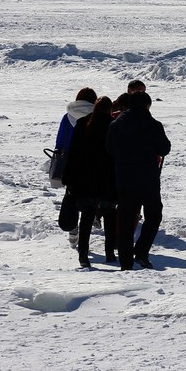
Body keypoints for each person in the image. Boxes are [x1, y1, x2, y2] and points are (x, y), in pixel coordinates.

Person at [106, 91, 171, 271]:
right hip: (148, 180)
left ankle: (126, 263)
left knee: (126, 220)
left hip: (124, 179)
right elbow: (164, 148)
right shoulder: (154, 125)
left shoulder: (116, 125)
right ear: (147, 105)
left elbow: (109, 148)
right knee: (154, 216)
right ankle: (141, 252)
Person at [63, 96, 117, 268]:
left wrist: (68, 177)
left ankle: (83, 256)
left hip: (85, 179)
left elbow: (73, 153)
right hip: (107, 178)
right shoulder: (114, 125)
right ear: (109, 109)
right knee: (109, 216)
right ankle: (109, 253)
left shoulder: (83, 124)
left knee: (86, 218)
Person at [54, 87, 97, 248]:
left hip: (71, 163)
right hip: (91, 162)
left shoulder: (68, 116)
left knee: (71, 195)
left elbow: (61, 139)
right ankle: (93, 219)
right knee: (92, 194)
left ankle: (73, 230)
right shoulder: (97, 115)